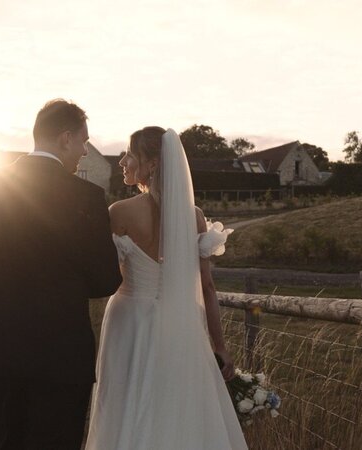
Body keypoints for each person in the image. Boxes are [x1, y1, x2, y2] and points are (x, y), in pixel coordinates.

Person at [0, 99, 122, 450]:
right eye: (83, 142)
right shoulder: (87, 196)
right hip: (63, 356)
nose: (84, 152)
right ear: (65, 138)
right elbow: (106, 280)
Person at [86, 127, 248, 449]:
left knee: (123, 404)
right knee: (173, 404)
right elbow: (207, 288)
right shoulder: (195, 217)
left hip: (128, 321)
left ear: (153, 164)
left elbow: (100, 275)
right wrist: (219, 345)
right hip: (179, 325)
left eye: (130, 154)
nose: (122, 162)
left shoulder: (119, 213)